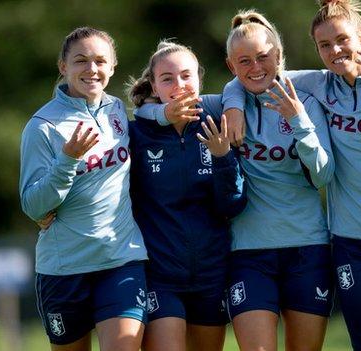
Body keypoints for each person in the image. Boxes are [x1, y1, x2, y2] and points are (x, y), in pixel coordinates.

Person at [222, 1, 361, 349]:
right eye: (324, 45)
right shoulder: (318, 84)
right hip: (352, 242)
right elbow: (254, 75)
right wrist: (233, 103)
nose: (335, 50)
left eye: (342, 39)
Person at [137, 10, 336, 351]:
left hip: (308, 246)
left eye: (263, 57)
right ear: (231, 66)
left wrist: (299, 122)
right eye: (244, 61)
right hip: (248, 251)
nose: (255, 67)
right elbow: (148, 110)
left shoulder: (305, 101)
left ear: (278, 55)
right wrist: (232, 101)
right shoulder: (220, 105)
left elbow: (322, 175)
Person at [19, 26, 148, 351]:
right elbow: (33, 206)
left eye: (100, 61)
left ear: (113, 66)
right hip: (64, 270)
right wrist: (66, 160)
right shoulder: (42, 127)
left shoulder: (117, 109)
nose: (92, 69)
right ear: (64, 67)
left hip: (121, 260)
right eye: (81, 61)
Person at [127, 40, 247, 351]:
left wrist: (223, 158)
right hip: (159, 275)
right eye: (167, 79)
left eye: (186, 76)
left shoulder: (215, 120)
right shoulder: (136, 134)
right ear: (154, 84)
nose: (178, 85)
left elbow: (231, 205)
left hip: (211, 273)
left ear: (199, 78)